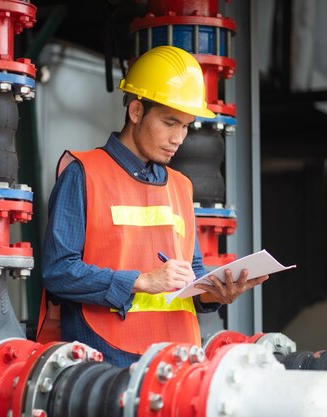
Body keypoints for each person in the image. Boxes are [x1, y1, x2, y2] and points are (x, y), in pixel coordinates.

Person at [40, 45, 269, 366]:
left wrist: (215, 293)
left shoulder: (180, 186)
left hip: (179, 364)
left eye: (186, 126)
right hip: (108, 364)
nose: (179, 138)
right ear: (136, 111)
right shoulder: (84, 173)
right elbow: (58, 272)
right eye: (170, 122)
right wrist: (141, 281)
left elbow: (192, 276)